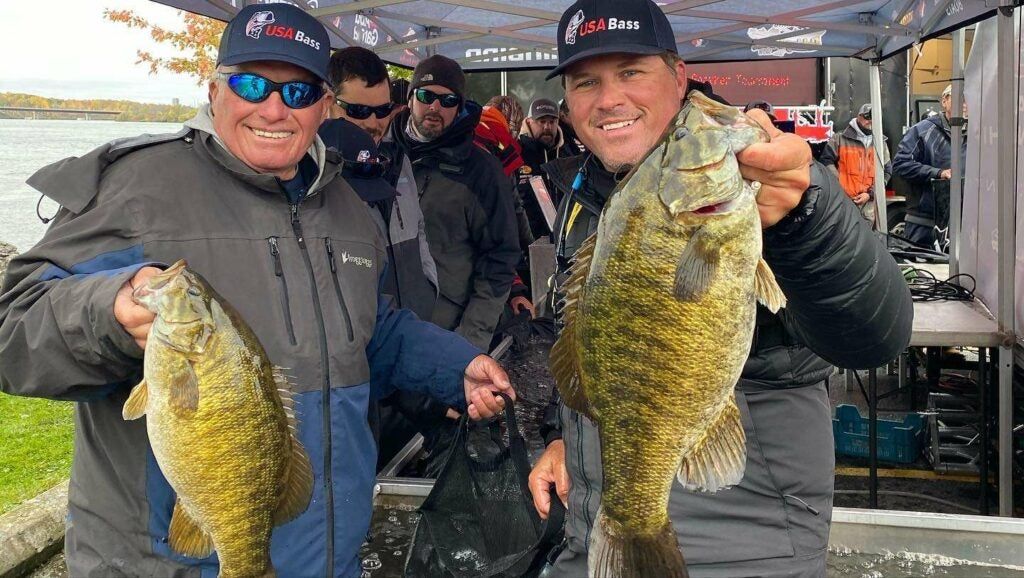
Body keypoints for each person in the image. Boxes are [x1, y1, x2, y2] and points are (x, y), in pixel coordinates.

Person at [0, 5, 515, 577]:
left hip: (326, 556)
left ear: (324, 105)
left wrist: (453, 366)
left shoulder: (346, 204)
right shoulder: (134, 188)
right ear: (216, 89)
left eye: (297, 93)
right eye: (252, 84)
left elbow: (372, 325)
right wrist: (107, 313)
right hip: (171, 563)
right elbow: (12, 330)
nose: (273, 108)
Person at [526, 1, 914, 576]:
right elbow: (596, 356)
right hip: (596, 531)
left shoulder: (765, 177)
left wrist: (807, 215)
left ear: (678, 75)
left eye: (631, 72)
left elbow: (876, 336)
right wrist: (568, 438)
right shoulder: (585, 191)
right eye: (587, 82)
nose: (609, 99)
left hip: (748, 546)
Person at [391, 55, 520, 352]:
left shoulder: (482, 170)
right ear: (411, 99)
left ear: (459, 107)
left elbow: (500, 259)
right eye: (426, 96)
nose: (435, 107)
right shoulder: (381, 153)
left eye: (448, 100)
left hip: (444, 334)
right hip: (383, 331)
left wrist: (467, 344)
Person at [892, 84, 967, 246]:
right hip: (924, 221)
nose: (964, 104)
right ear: (944, 101)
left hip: (964, 223)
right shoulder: (922, 131)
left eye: (969, 99)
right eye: (959, 98)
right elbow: (900, 164)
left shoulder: (979, 134)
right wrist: (937, 173)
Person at [821, 103, 892, 220]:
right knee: (842, 236)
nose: (870, 121)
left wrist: (870, 194)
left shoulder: (880, 143)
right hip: (842, 202)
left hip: (867, 206)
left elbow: (887, 171)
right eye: (867, 117)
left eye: (873, 118)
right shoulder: (840, 138)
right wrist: (839, 186)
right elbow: (825, 161)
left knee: (865, 237)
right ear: (859, 116)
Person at [517, 98, 568, 239]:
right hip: (527, 240)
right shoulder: (516, 154)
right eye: (542, 121)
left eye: (552, 122)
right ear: (529, 122)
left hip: (565, 240)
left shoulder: (568, 153)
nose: (547, 127)